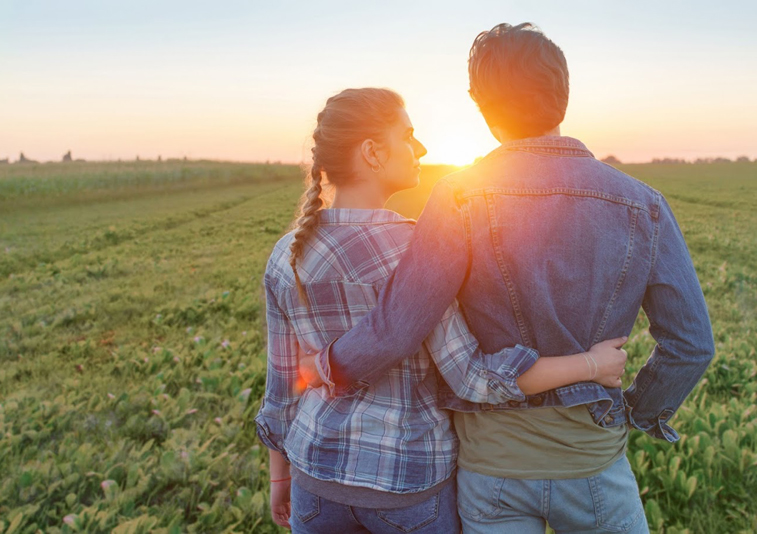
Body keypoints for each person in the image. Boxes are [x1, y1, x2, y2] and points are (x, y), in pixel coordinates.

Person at [302, 24, 714, 533]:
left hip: (490, 469)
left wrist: (325, 365)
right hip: (593, 462)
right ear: (563, 94)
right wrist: (634, 413)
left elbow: (398, 326)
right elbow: (691, 345)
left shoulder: (459, 195)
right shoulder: (643, 203)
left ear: (480, 105)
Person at [255, 87, 629, 533]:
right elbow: (471, 378)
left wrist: (280, 476)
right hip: (409, 484)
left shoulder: (286, 255)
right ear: (372, 152)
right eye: (408, 135)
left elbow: (281, 389)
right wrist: (589, 364)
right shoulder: (419, 250)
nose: (421, 148)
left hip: (314, 479)